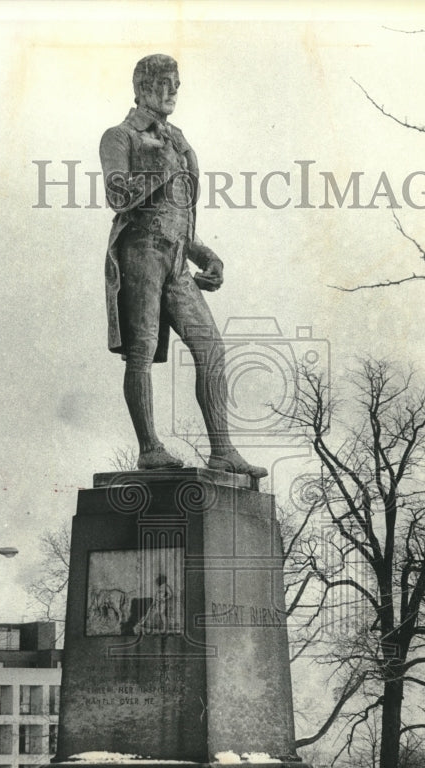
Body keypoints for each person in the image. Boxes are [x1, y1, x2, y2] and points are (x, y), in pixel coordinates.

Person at [99, 54, 268, 478]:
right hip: (140, 252)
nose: (172, 91)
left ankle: (222, 450)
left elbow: (178, 215)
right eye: (163, 83)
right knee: (140, 351)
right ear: (140, 87)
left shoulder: (177, 139)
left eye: (177, 84)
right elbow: (118, 197)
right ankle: (150, 448)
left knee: (210, 347)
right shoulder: (120, 136)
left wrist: (204, 254)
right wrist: (158, 169)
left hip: (175, 258)